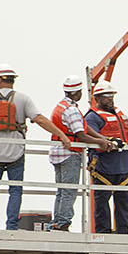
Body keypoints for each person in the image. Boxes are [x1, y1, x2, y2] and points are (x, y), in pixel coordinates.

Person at [0, 64, 72, 230]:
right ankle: (11, 226)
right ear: (13, 80)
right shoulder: (23, 99)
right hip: (16, 153)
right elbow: (40, 120)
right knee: (15, 191)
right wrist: (62, 135)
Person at [48, 75, 109, 231]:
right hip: (69, 154)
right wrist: (101, 142)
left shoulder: (60, 107)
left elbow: (84, 128)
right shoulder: (72, 110)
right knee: (69, 190)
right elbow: (81, 135)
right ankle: (63, 222)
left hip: (57, 154)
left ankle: (57, 220)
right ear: (77, 93)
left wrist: (102, 138)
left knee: (61, 190)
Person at [83, 82, 128, 234]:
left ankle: (123, 232)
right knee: (102, 202)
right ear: (97, 98)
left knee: (124, 201)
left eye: (112, 96)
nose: (110, 99)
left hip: (122, 167)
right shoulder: (92, 117)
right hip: (104, 167)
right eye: (106, 96)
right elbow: (92, 136)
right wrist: (110, 140)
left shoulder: (119, 114)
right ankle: (103, 232)